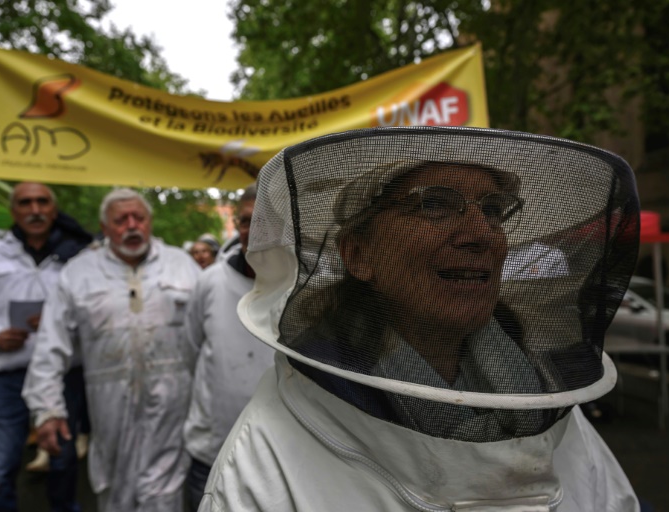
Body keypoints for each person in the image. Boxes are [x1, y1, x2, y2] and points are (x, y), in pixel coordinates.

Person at [199, 127, 642, 511]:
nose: (481, 234)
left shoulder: (542, 399)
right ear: (359, 254)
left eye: (492, 209)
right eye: (434, 204)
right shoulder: (266, 456)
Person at [22, 188, 201, 512]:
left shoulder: (183, 266)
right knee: (115, 489)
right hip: (108, 407)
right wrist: (47, 409)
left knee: (164, 492)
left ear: (150, 222)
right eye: (121, 220)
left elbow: (209, 337)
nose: (132, 226)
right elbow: (51, 344)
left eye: (139, 218)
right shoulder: (78, 273)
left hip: (173, 403)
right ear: (105, 229)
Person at [0, 182, 93, 512]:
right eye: (26, 203)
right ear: (14, 211)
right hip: (6, 376)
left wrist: (60, 319)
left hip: (63, 377)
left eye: (42, 202)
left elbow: (97, 312)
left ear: (53, 210)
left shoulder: (78, 259)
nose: (35, 210)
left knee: (63, 461)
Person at [182, 184, 275, 510]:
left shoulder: (300, 288)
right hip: (210, 455)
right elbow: (191, 351)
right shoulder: (210, 283)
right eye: (247, 221)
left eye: (266, 220)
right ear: (237, 226)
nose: (255, 231)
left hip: (276, 462)